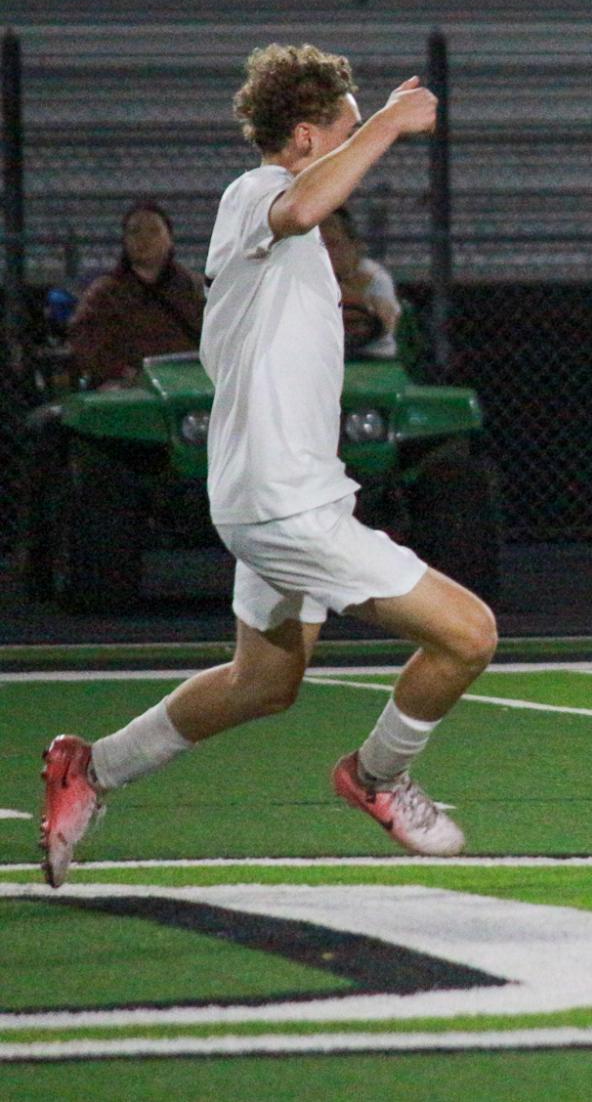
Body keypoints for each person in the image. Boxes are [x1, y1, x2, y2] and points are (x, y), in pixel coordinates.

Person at [39, 45, 500, 888]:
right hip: (285, 506)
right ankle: (377, 776)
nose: (361, 147)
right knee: (469, 635)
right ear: (303, 136)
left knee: (263, 682)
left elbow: (310, 212)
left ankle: (92, 768)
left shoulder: (287, 226)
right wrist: (394, 124)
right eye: (347, 132)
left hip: (284, 495)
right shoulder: (259, 196)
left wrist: (373, 126)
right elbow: (298, 206)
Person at [65, 198, 206, 387]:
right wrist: (123, 373)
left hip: (188, 383)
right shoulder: (105, 294)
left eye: (153, 231)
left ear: (170, 239)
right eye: (134, 231)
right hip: (128, 387)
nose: (144, 239)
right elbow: (85, 343)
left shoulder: (194, 289)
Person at [320, 206, 401, 358]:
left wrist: (357, 297)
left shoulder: (376, 277)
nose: (327, 253)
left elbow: (387, 322)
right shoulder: (310, 275)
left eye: (333, 244)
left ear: (353, 245)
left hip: (375, 356)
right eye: (322, 245)